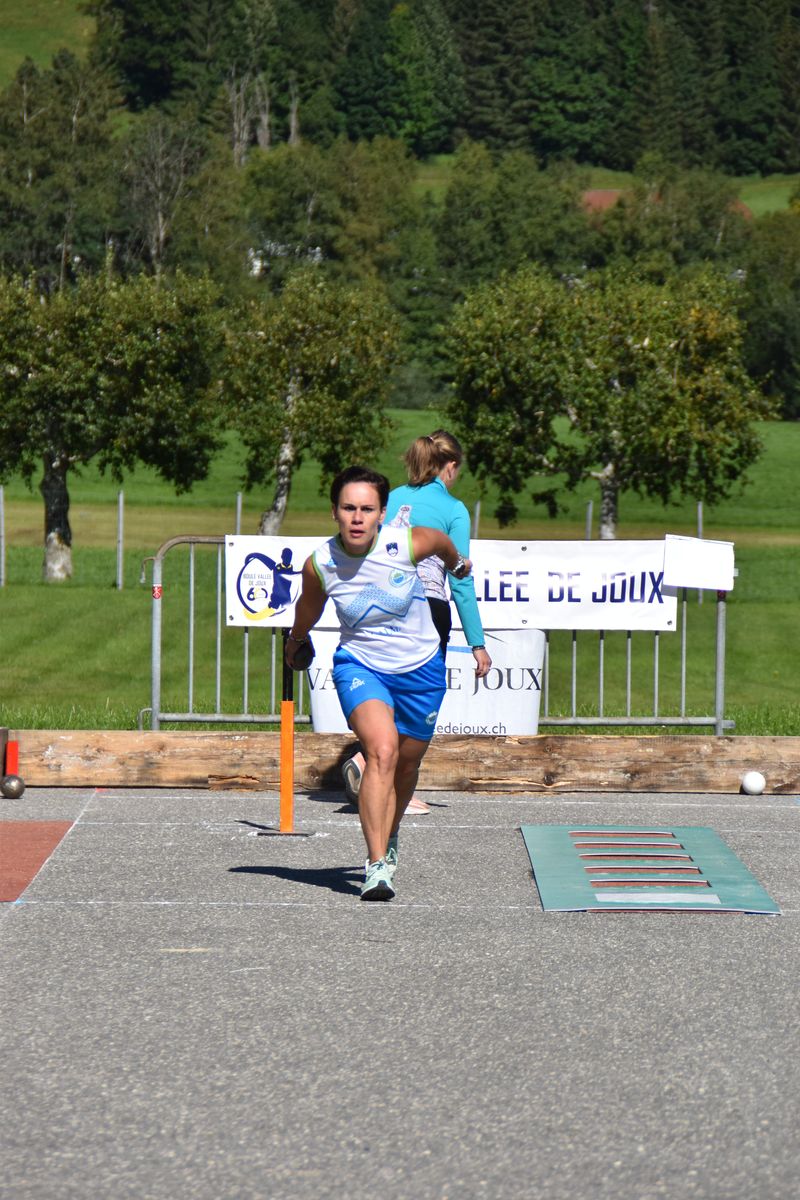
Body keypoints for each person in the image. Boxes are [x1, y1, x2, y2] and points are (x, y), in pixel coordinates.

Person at [285, 464, 473, 901]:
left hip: (422, 668)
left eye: (366, 509)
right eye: (348, 508)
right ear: (334, 511)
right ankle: (376, 866)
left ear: (382, 514)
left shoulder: (407, 543)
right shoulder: (321, 564)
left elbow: (443, 544)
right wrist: (296, 640)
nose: (357, 518)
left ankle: (391, 834)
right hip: (361, 665)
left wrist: (458, 564)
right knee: (382, 751)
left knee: (406, 765)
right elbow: (308, 608)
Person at [342, 430, 491, 813]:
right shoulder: (454, 509)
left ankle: (370, 762)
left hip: (383, 603)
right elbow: (460, 579)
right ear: (451, 466)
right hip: (428, 607)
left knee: (383, 687)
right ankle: (387, 783)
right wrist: (477, 642)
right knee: (414, 699)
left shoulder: (388, 499)